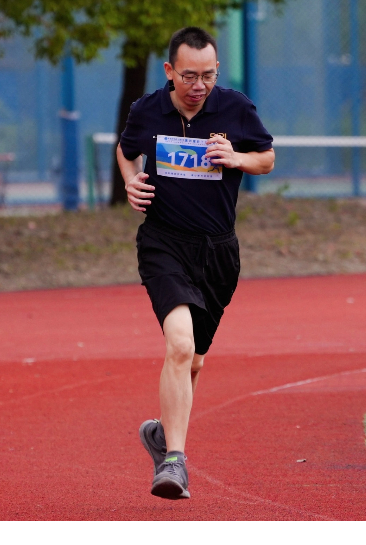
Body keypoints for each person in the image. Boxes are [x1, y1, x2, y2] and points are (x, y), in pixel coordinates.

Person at [115, 26, 275, 500]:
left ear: (217, 70)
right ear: (170, 71)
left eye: (208, 75)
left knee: (195, 360)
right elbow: (126, 151)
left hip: (219, 252)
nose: (199, 85)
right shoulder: (147, 110)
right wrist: (130, 181)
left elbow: (266, 158)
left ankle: (162, 434)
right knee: (180, 346)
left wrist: (237, 158)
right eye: (189, 76)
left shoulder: (236, 108)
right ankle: (174, 461)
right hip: (164, 244)